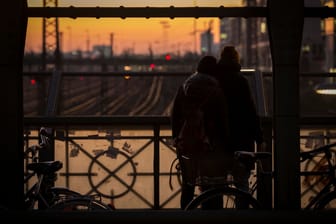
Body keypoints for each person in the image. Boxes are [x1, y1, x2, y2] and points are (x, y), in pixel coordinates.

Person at [171, 55, 230, 209]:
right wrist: (226, 144)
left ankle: (187, 215)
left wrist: (177, 137)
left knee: (188, 184)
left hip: (187, 144)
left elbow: (175, 114)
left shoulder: (185, 85)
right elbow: (223, 119)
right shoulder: (216, 89)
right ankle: (211, 216)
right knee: (212, 185)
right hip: (210, 145)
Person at [215, 46, 265, 207]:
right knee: (242, 183)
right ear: (236, 59)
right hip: (241, 139)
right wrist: (259, 137)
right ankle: (241, 217)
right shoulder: (241, 80)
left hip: (219, 140)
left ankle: (215, 216)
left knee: (217, 184)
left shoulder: (214, 80)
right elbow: (250, 111)